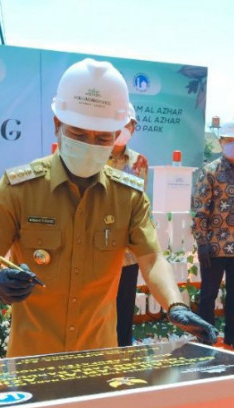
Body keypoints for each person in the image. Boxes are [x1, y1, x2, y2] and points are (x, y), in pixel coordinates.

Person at [0, 58, 216, 357]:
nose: (90, 143)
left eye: (102, 137)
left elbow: (151, 259)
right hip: (31, 355)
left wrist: (175, 305)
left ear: (118, 135)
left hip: (98, 356)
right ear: (57, 125)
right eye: (79, 133)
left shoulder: (128, 196)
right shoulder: (19, 189)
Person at [191, 120, 234, 353]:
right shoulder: (210, 171)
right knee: (208, 294)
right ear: (220, 142)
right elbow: (200, 209)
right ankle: (207, 336)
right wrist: (202, 243)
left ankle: (233, 335)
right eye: (229, 140)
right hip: (214, 246)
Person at [108, 103, 150, 346]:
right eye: (119, 124)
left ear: (134, 127)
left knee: (124, 307)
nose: (124, 129)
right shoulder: (94, 158)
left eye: (129, 124)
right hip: (98, 250)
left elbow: (141, 204)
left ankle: (123, 354)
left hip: (127, 253)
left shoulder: (139, 163)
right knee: (98, 309)